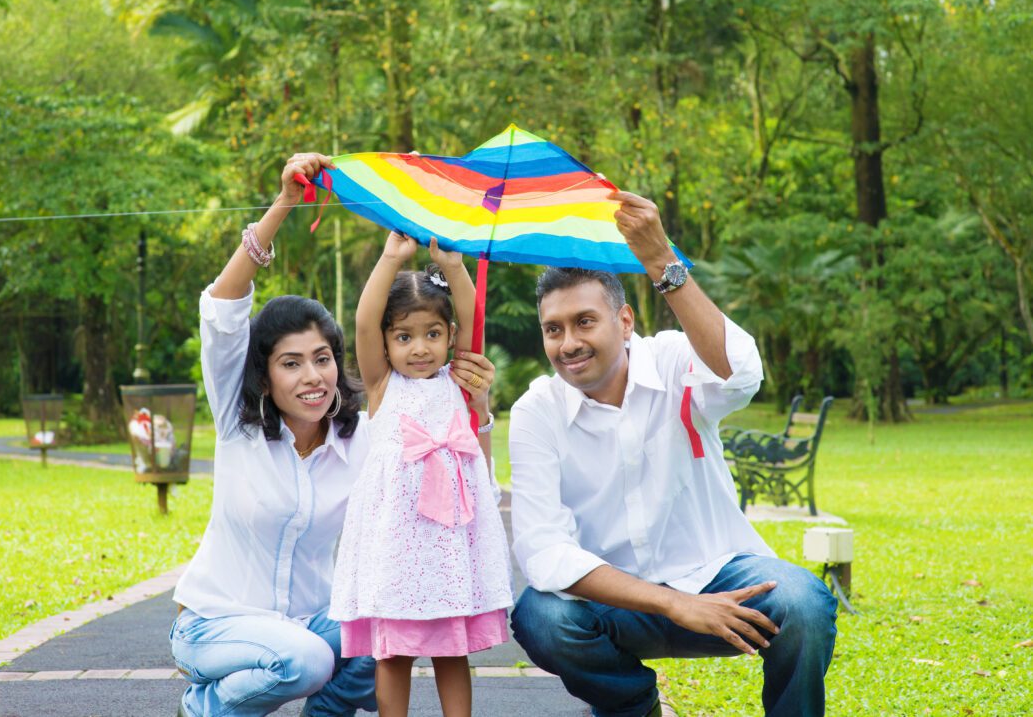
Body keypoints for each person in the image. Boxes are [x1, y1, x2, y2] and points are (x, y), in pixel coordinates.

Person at [168, 152, 497, 717]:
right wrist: (285, 204)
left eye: (322, 359)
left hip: (312, 624)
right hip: (216, 625)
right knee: (308, 661)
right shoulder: (235, 424)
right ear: (265, 375)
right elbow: (222, 309)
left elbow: (458, 458)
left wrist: (482, 409)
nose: (312, 376)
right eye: (291, 363)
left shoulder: (368, 438)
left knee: (381, 623)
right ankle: (205, 708)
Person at [507, 190, 839, 717]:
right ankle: (637, 707)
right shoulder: (536, 411)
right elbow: (544, 551)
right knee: (541, 617)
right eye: (553, 329)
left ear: (624, 321)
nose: (568, 343)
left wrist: (663, 261)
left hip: (718, 579)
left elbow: (743, 374)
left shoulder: (674, 360)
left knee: (803, 602)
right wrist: (672, 603)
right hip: (617, 605)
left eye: (584, 322)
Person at [329, 231, 513, 717]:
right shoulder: (382, 385)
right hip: (398, 546)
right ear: (387, 343)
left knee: (452, 648)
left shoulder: (461, 379)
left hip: (450, 545)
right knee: (395, 650)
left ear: (451, 336)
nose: (419, 348)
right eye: (404, 336)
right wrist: (391, 257)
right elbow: (364, 321)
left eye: (433, 333)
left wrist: (453, 267)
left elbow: (473, 315)